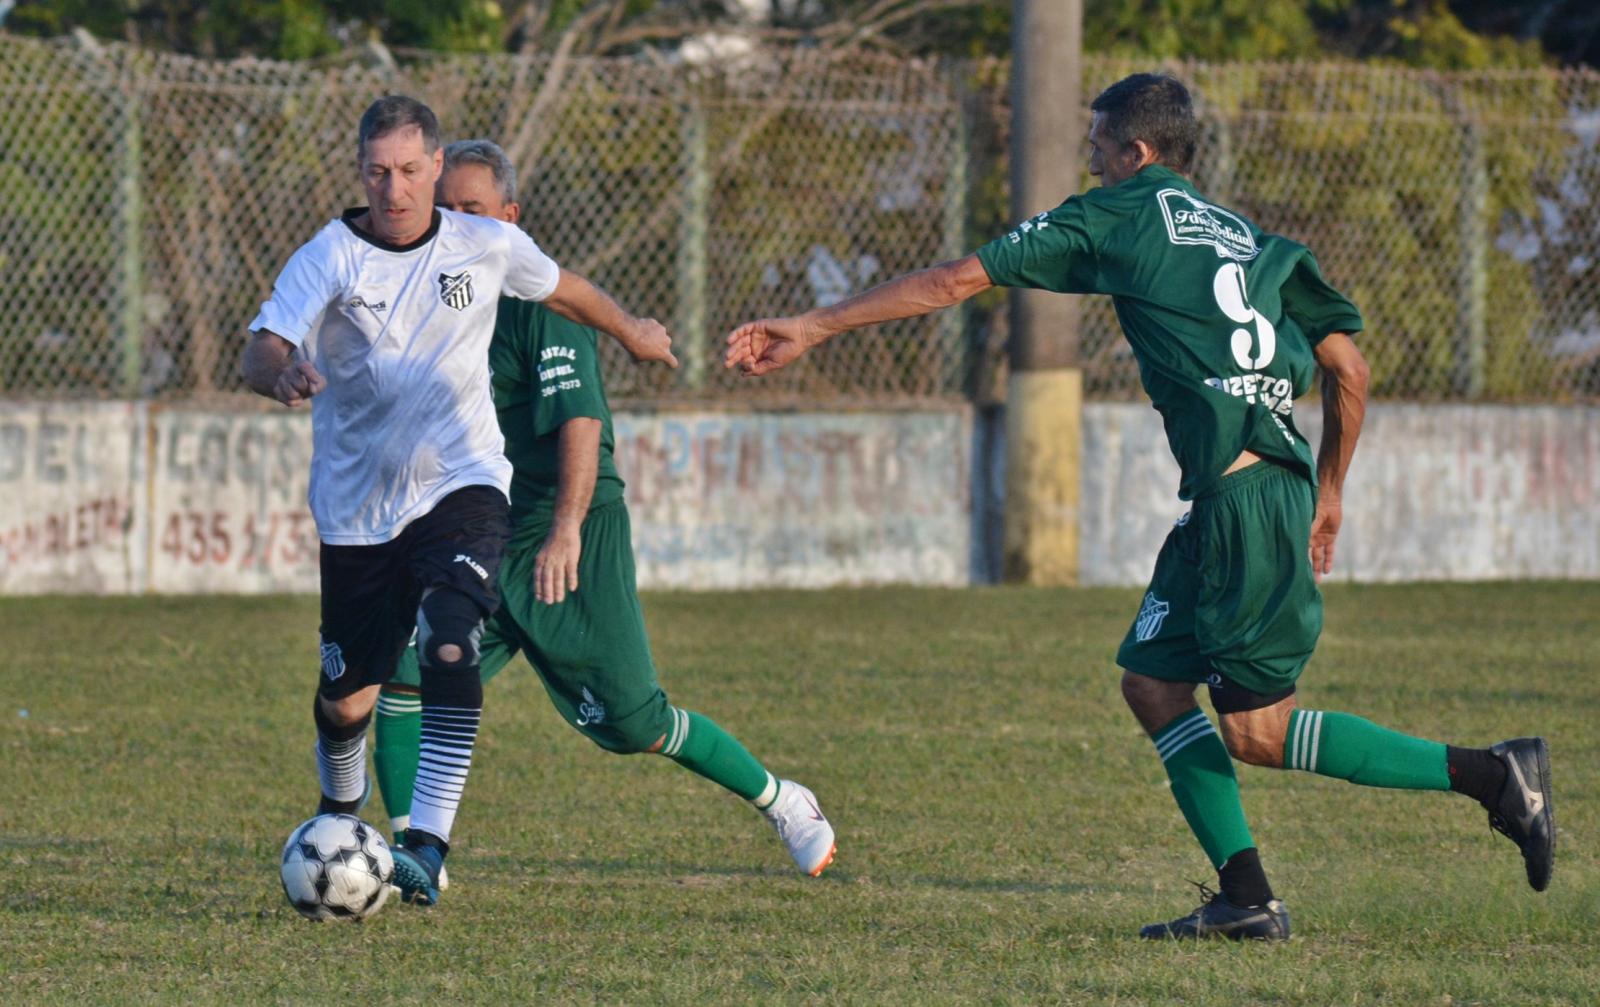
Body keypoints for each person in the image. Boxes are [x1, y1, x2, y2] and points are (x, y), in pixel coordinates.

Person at [723, 73, 1553, 940]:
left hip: (1243, 506)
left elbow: (948, 284)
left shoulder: (1114, 213)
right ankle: (1245, 898)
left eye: (1098, 148)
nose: (1090, 161)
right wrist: (1331, 492)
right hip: (1246, 497)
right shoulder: (1248, 238)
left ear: (1137, 153)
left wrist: (813, 326)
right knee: (1154, 686)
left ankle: (1494, 776)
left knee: (1258, 733)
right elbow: (1349, 369)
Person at [241, 96, 678, 908]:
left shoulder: (485, 243)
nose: (394, 188)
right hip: (359, 510)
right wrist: (281, 374)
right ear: (361, 171)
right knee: (348, 700)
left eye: (410, 171)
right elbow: (261, 345)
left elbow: (568, 290)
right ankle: (340, 811)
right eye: (378, 171)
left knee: (450, 642)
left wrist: (631, 330)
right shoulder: (331, 256)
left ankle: (423, 849)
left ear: (436, 169)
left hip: (463, 482)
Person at [366, 138, 836, 885]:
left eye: (473, 210)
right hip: (477, 525)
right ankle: (412, 856)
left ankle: (784, 799)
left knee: (633, 721)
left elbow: (579, 422)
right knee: (401, 673)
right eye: (444, 210)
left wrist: (566, 531)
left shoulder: (541, 304)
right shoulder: (428, 295)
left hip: (565, 525)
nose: (455, 224)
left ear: (510, 219)